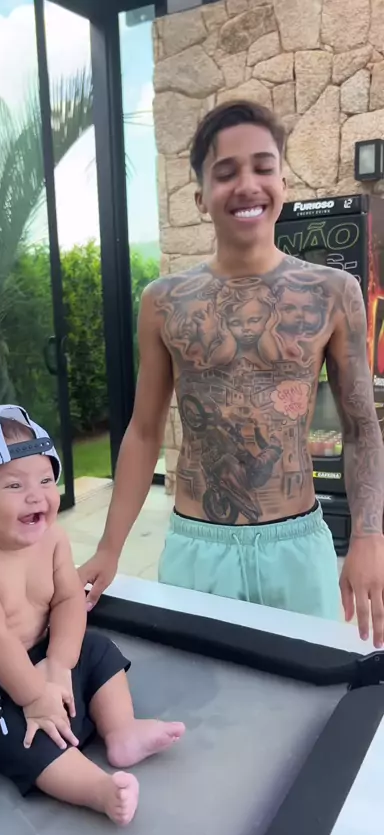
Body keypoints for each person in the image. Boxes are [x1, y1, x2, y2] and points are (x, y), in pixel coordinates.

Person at [78, 99, 384, 648]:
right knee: (197, 690)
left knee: (304, 689)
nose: (247, 185)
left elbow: (361, 428)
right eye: (226, 172)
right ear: (200, 197)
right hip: (198, 547)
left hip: (296, 545)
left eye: (263, 167)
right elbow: (144, 432)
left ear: (283, 182)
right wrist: (109, 547)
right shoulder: (164, 302)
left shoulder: (333, 293)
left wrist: (368, 539)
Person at [0, 405, 184, 826]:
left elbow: (68, 600)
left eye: (46, 480)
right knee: (17, 728)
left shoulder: (53, 538)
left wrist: (59, 665)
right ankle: (96, 788)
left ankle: (121, 730)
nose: (37, 496)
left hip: (38, 656)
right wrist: (36, 699)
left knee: (96, 649)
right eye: (15, 485)